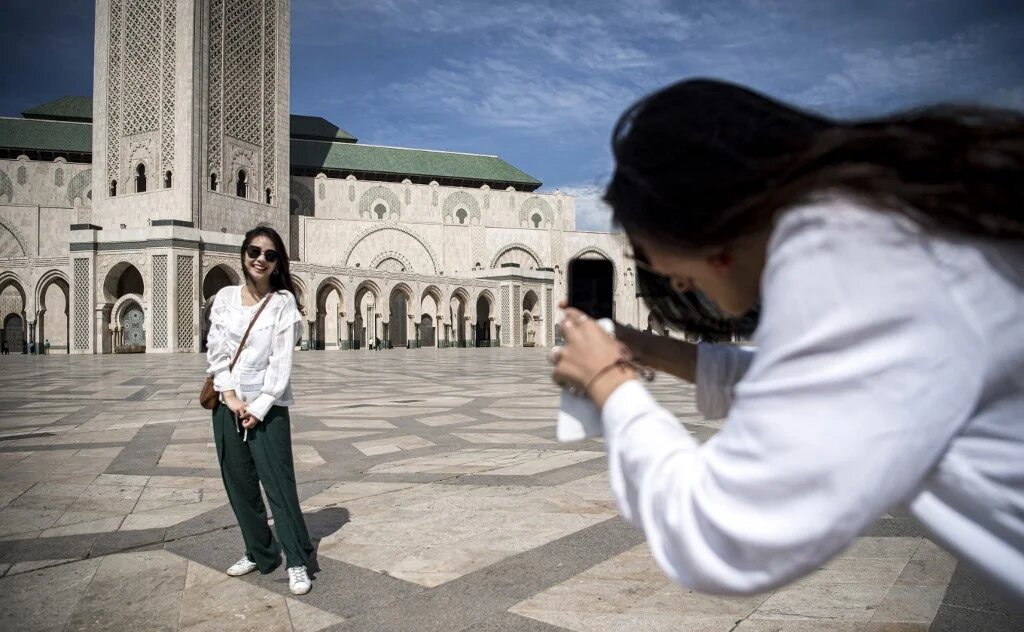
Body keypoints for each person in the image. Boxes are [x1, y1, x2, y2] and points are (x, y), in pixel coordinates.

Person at [551, 79, 1024, 599]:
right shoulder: (872, 227)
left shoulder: (846, 260)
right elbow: (822, 387)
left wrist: (607, 380)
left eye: (645, 250)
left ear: (704, 223)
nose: (667, 277)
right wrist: (648, 348)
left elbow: (719, 534)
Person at [206, 225, 315, 595]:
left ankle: (297, 561)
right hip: (227, 405)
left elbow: (280, 363)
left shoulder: (284, 302)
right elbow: (217, 352)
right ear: (243, 254)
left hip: (268, 409)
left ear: (277, 262)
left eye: (270, 255)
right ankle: (259, 552)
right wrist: (230, 396)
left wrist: (261, 405)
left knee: (279, 486)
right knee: (239, 484)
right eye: (254, 252)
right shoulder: (223, 297)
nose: (260, 260)